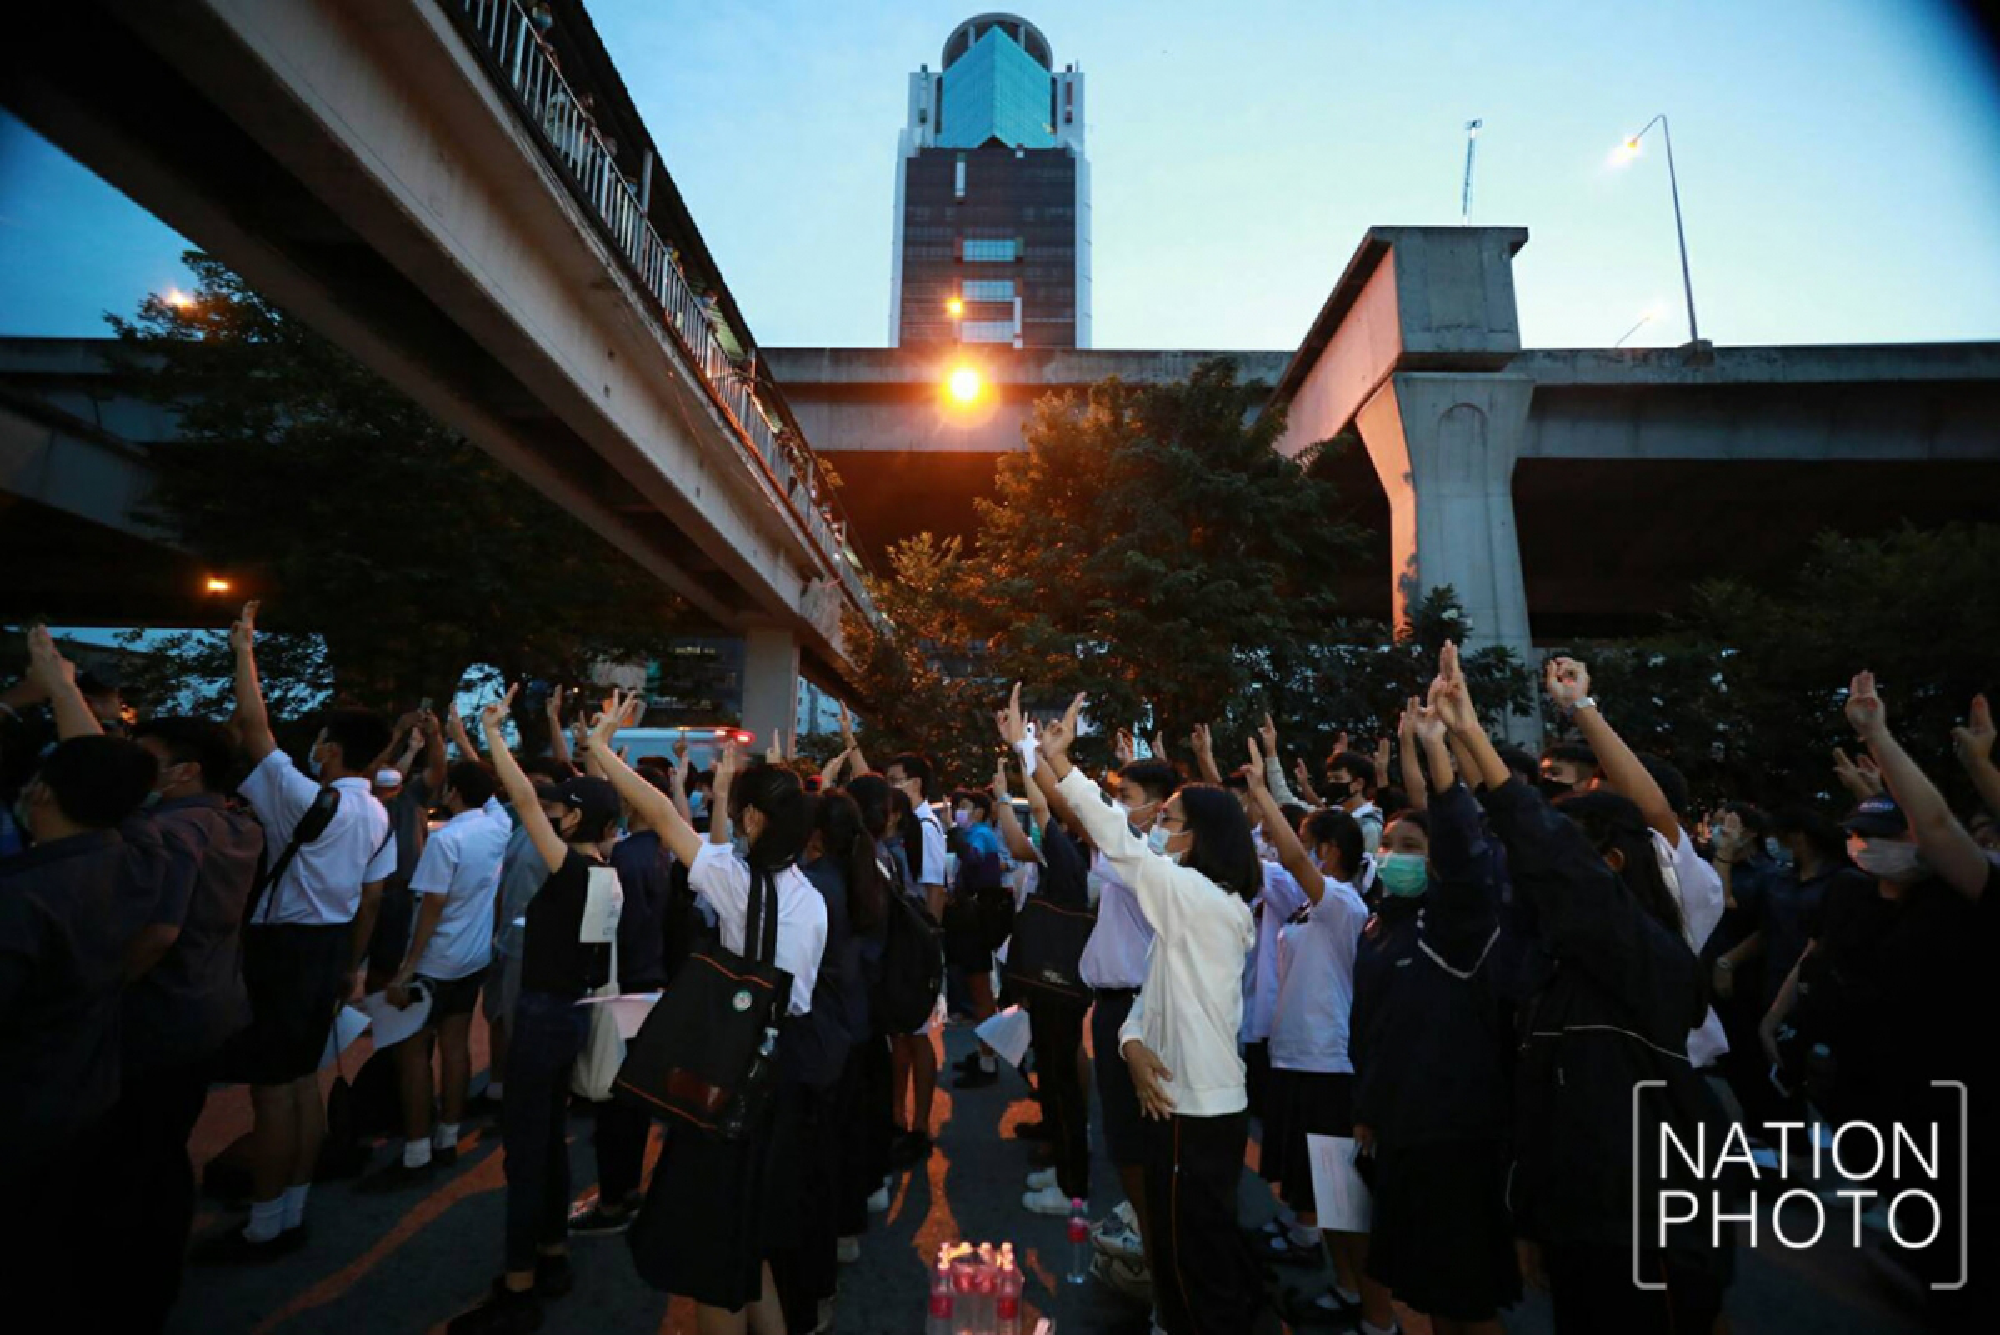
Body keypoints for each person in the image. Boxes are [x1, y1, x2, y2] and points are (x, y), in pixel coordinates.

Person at [1437, 642, 1728, 1334]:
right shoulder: (1552, 970)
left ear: (1613, 861)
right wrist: (1535, 1219)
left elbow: (1574, 846)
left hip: (1650, 1214)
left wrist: (1487, 728)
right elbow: (1538, 1106)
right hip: (1579, 1219)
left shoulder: (1651, 947)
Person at [598, 705, 828, 1335]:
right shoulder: (810, 901)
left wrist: (600, 747)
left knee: (709, 1265)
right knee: (747, 1251)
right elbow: (800, 1001)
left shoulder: (731, 881)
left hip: (717, 1086)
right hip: (773, 1086)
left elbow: (669, 817)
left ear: (754, 819)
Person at [1039, 691, 1261, 1335]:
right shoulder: (1191, 902)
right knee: (1174, 1249)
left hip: (1197, 1107)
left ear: (1200, 834)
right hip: (1176, 1097)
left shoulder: (1204, 901)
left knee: (1197, 1262)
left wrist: (1062, 764)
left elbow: (1120, 843)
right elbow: (1153, 995)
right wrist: (1132, 1043)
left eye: (1169, 819)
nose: (1158, 829)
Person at [197, 602, 395, 1263]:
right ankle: (290, 1210)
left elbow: (254, 728)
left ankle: (264, 1226)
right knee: (303, 1083)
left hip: (282, 952)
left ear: (330, 749)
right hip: (330, 947)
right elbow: (371, 897)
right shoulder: (378, 816)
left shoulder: (305, 795)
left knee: (273, 1093)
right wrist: (355, 964)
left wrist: (242, 650)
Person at [0, 638, 167, 1305]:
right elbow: (108, 781)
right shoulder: (139, 859)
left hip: (20, 1113)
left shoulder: (21, 898)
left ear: (40, 790)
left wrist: (41, 692)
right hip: (89, 1091)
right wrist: (65, 693)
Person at [448, 689, 619, 1334]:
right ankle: (552, 1255)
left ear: (571, 822)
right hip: (571, 1016)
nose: (543, 815)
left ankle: (518, 1286)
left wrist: (493, 735)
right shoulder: (609, 871)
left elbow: (522, 797)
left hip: (542, 1017)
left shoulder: (568, 871)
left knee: (526, 1150)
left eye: (556, 812)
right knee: (550, 1141)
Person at [1351, 689, 1519, 1335]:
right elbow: (1376, 1030)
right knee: (1427, 1291)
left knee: (1464, 1294)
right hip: (1399, 1131)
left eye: (1412, 844)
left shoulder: (1454, 927)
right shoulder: (1381, 926)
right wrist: (1369, 1107)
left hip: (1455, 1136)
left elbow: (1466, 852)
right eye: (1389, 842)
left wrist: (1437, 752)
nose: (1393, 853)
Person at [112, 713, 266, 1330]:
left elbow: (158, 933)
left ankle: (131, 1288)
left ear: (185, 769)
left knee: (133, 1154)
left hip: (160, 1014)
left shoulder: (172, 833)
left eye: (144, 757)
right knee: (166, 1148)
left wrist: (99, 989)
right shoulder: (239, 825)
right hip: (210, 1006)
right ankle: (158, 1277)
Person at [1242, 741, 1382, 1330]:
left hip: (1329, 1068)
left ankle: (1379, 1319)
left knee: (1346, 1204)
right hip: (1296, 1060)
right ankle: (1347, 1290)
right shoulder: (1307, 908)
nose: (1290, 848)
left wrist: (1260, 795)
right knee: (1325, 1200)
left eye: (1305, 840)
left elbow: (1292, 860)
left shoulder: (1343, 903)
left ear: (1328, 851)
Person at [364, 759, 509, 1191]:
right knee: (456, 1044)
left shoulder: (447, 842)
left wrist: (406, 970)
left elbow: (431, 908)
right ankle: (448, 1136)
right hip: (474, 956)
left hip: (434, 961)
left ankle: (416, 1151)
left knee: (412, 1054)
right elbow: (501, 795)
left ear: (454, 793)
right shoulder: (497, 826)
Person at [568, 763, 682, 1234]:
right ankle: (628, 1190)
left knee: (615, 1102)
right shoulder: (661, 849)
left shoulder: (618, 860)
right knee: (633, 1098)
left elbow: (594, 935)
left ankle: (616, 1200)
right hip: (654, 983)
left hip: (620, 988)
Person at [884, 752, 945, 1167]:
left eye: (897, 780)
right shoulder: (906, 826)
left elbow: (934, 891)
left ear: (917, 784)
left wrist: (929, 948)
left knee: (918, 1037)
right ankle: (898, 1120)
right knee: (901, 1037)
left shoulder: (925, 828)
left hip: (916, 948)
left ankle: (920, 1125)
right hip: (901, 947)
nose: (892, 787)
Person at [945, 785, 1009, 1088]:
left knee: (981, 992)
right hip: (970, 920)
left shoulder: (980, 834)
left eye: (967, 806)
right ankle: (983, 1052)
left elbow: (973, 861)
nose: (961, 811)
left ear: (981, 812)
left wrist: (955, 836)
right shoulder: (973, 835)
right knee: (977, 990)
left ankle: (987, 1061)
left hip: (977, 922)